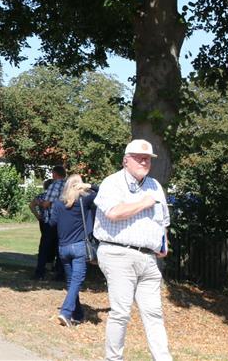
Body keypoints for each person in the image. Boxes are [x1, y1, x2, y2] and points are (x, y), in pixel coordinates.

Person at [93, 139, 171, 361]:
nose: (144, 162)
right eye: (139, 158)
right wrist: (144, 203)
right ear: (126, 160)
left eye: (147, 159)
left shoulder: (155, 186)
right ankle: (113, 359)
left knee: (154, 313)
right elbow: (114, 213)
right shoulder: (112, 183)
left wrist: (164, 244)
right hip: (118, 253)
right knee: (121, 313)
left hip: (148, 259)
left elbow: (164, 221)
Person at [50, 174, 96, 327]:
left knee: (71, 282)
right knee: (76, 281)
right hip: (79, 247)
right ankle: (66, 312)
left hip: (63, 248)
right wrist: (90, 186)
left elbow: (52, 222)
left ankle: (78, 314)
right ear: (80, 186)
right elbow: (103, 192)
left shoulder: (58, 203)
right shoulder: (84, 200)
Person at [33, 166, 67, 280]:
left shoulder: (55, 185)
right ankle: (60, 273)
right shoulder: (68, 186)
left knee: (45, 247)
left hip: (51, 220)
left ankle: (40, 272)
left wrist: (40, 203)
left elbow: (46, 204)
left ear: (55, 174)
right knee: (60, 248)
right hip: (63, 222)